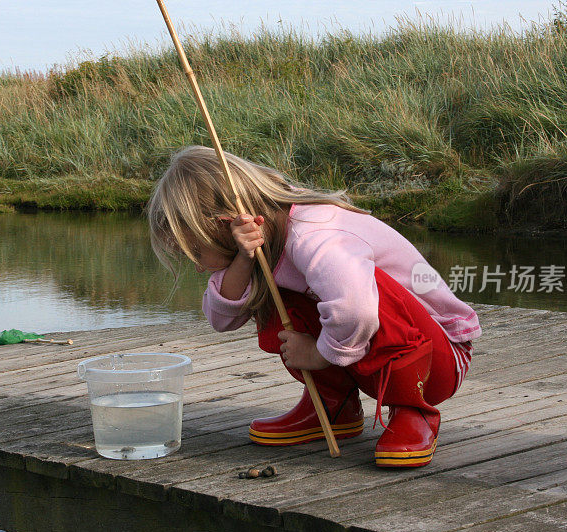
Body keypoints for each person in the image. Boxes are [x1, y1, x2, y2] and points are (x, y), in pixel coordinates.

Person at [147, 145, 481, 468]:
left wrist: (319, 354)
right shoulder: (265, 243)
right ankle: (334, 406)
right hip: (363, 354)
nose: (198, 266)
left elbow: (356, 310)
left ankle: (412, 409)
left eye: (195, 252)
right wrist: (244, 261)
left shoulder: (316, 235)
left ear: (221, 224)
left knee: (361, 286)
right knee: (275, 296)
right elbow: (222, 319)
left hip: (437, 359)